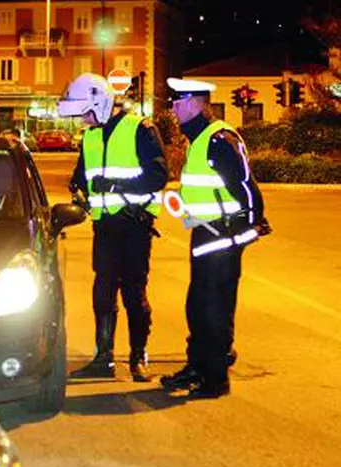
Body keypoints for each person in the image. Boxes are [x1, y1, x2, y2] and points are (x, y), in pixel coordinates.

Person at [160, 78, 271, 398]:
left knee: (213, 307)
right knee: (199, 305)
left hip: (223, 236)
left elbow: (246, 187)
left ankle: (215, 378)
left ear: (196, 104)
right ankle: (198, 366)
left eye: (178, 103)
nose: (173, 109)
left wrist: (250, 225)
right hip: (205, 233)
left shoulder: (219, 139)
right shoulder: (200, 139)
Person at [58, 73, 168, 382]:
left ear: (102, 104)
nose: (82, 119)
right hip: (104, 226)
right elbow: (84, 174)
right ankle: (103, 358)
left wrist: (115, 183)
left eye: (86, 113)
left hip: (135, 225)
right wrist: (77, 185)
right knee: (103, 292)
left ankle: (138, 358)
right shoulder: (91, 136)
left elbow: (158, 176)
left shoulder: (140, 129)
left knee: (134, 292)